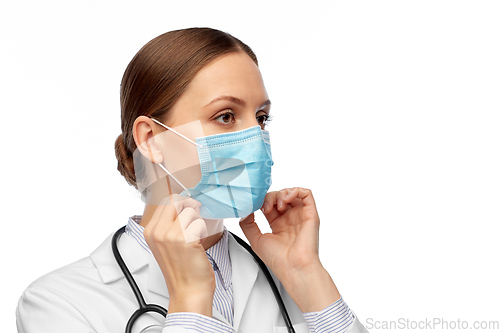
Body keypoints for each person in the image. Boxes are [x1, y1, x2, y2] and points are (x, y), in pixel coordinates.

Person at [16, 27, 368, 333]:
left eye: (261, 118)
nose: (255, 137)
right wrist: (189, 303)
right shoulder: (59, 302)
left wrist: (307, 276)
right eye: (226, 116)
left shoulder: (291, 282)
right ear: (151, 140)